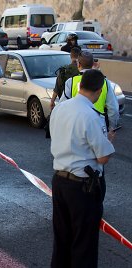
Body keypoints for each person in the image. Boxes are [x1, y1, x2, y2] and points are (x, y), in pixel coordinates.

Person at [49, 69, 115, 268]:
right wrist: (108, 140)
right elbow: (103, 157)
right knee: (83, 244)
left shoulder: (60, 108)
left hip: (59, 180)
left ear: (80, 85)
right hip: (82, 186)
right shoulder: (91, 115)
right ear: (98, 90)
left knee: (61, 241)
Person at [60, 51, 119, 130]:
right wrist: (112, 128)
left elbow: (62, 106)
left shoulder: (71, 82)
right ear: (92, 64)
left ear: (78, 64)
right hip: (99, 125)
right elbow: (114, 109)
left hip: (77, 125)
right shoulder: (104, 82)